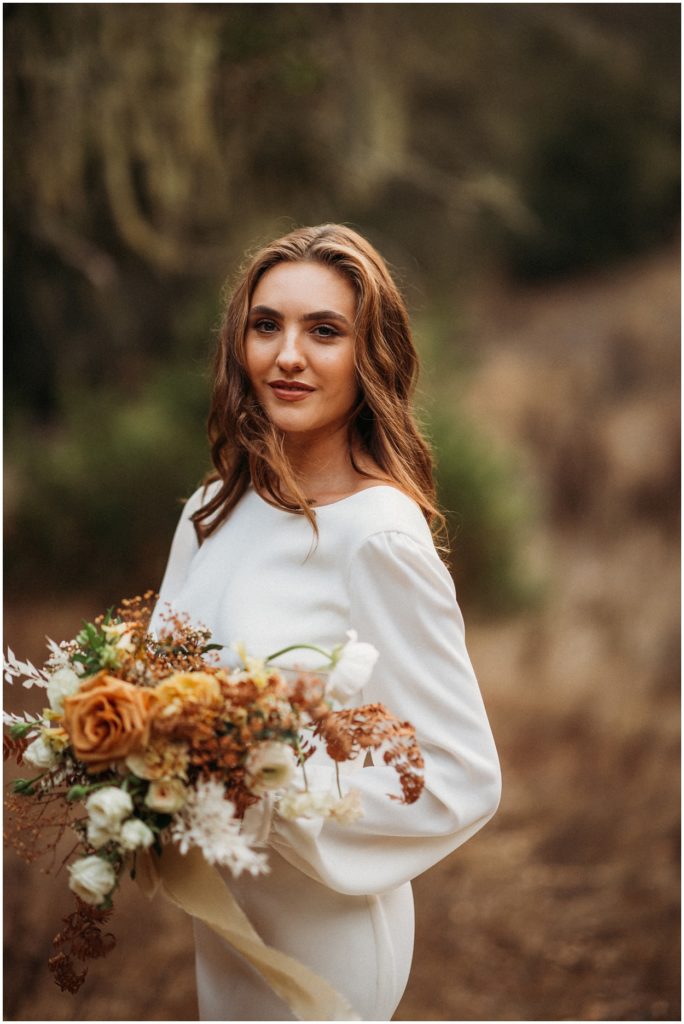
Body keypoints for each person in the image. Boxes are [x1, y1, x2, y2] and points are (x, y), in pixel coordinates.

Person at [152, 223, 501, 1021]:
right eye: (267, 324)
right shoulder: (210, 511)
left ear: (368, 356)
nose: (287, 356)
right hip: (231, 925)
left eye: (325, 331)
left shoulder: (377, 533)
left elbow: (462, 775)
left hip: (328, 938)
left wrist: (270, 795)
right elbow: (158, 691)